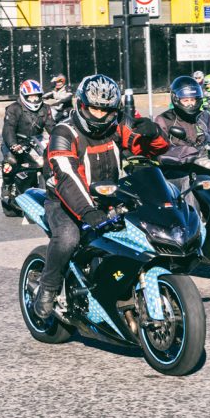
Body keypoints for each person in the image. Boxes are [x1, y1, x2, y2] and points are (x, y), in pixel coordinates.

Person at [35, 74, 168, 318]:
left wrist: (154, 133)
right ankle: (48, 287)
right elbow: (67, 177)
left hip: (110, 196)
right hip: (65, 201)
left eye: (105, 110)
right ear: (81, 105)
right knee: (67, 238)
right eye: (93, 108)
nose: (99, 115)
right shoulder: (64, 133)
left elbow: (149, 149)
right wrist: (88, 212)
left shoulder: (118, 125)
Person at [156, 76, 206, 209]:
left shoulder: (204, 116)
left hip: (203, 166)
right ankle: (193, 221)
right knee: (189, 180)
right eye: (186, 100)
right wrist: (188, 152)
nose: (190, 103)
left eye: (193, 100)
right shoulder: (164, 119)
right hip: (175, 170)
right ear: (176, 99)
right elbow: (161, 150)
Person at [0, 79, 55, 201]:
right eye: (30, 97)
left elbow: (52, 127)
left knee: (51, 161)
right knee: (11, 161)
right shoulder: (13, 109)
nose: (34, 100)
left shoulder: (45, 108)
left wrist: (61, 139)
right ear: (23, 96)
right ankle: (7, 186)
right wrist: (13, 144)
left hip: (35, 142)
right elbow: (8, 129)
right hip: (15, 142)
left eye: (37, 97)